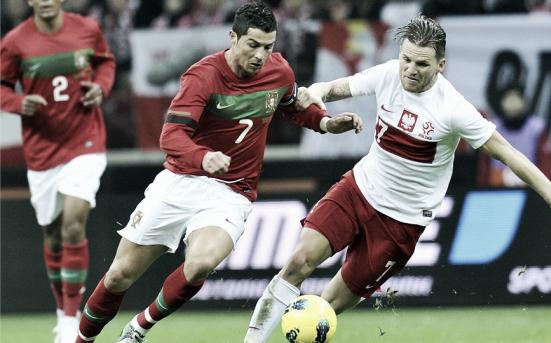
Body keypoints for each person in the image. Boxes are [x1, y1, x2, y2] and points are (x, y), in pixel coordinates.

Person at [243, 15, 551, 343]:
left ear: (441, 65)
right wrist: (316, 92)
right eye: (406, 59)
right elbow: (336, 87)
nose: (410, 70)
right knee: (298, 262)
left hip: (401, 223)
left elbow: (507, 153)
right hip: (358, 190)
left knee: (325, 309)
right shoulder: (388, 74)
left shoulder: (454, 109)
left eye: (422, 64)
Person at [75, 2, 363, 343]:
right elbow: (171, 136)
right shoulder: (203, 75)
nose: (260, 55)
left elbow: (291, 105)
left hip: (231, 192)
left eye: (268, 47)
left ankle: (139, 327)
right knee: (119, 276)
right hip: (181, 180)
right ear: (233, 37)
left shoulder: (279, 72)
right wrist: (203, 157)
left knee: (200, 264)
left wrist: (327, 122)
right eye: (252, 45)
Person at [0, 1, 116, 343]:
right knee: (52, 233)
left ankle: (70, 319)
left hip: (86, 142)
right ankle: (60, 310)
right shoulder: (15, 41)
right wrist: (19, 104)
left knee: (73, 221)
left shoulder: (86, 29)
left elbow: (105, 63)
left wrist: (101, 87)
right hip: (42, 151)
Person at [478, 85, 551, 187]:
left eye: (516, 98)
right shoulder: (491, 129)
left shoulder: (536, 128)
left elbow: (547, 170)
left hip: (531, 187)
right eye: (508, 98)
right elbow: (484, 173)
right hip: (497, 189)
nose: (512, 103)